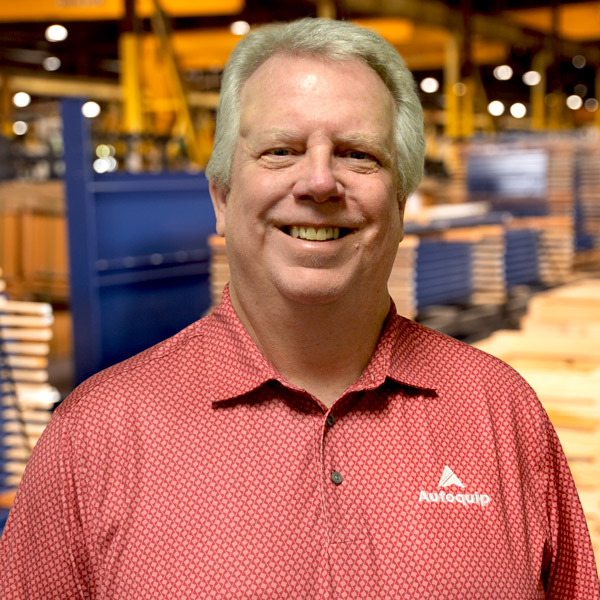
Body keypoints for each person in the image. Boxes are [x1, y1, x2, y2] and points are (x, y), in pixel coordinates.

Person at [1, 17, 598, 599]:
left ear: (400, 203)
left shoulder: (500, 414)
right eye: (280, 150)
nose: (318, 183)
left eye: (358, 154)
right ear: (221, 198)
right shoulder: (94, 439)